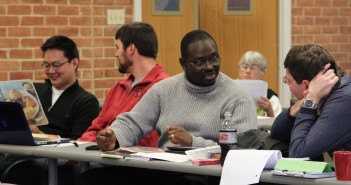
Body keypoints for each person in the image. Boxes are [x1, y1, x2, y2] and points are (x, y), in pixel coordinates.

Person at [76, 30, 258, 185]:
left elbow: (243, 153)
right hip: (163, 170)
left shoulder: (237, 97)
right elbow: (134, 122)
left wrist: (193, 143)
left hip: (206, 176)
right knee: (89, 179)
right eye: (200, 62)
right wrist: (114, 137)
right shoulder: (164, 89)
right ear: (183, 64)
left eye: (214, 59)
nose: (209, 67)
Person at [1, 35, 100, 185]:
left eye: (56, 65)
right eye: (46, 65)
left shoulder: (86, 101)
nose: (51, 71)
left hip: (49, 158)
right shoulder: (33, 92)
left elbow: (79, 145)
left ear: (74, 63)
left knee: (25, 170)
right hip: (16, 151)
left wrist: (42, 135)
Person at [78, 22, 169, 147]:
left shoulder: (164, 87)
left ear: (131, 49)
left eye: (117, 47)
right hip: (101, 154)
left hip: (131, 161)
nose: (116, 53)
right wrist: (77, 148)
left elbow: (148, 138)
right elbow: (96, 128)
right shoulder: (117, 88)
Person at [270, 44, 351, 160]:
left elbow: (298, 154)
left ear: (306, 85)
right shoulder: (328, 94)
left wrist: (311, 101)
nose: (288, 86)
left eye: (287, 81)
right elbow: (277, 133)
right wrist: (302, 104)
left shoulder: (343, 101)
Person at [238, 51, 282, 117]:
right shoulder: (230, 93)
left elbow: (278, 126)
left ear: (262, 72)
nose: (248, 71)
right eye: (245, 66)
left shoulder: (271, 99)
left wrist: (270, 112)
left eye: (253, 68)